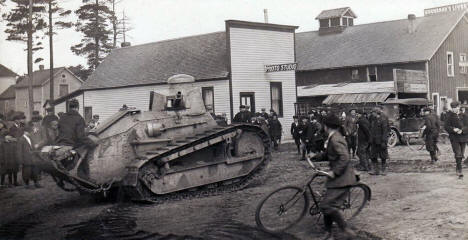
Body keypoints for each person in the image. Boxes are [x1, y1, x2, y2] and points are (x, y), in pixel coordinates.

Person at [310, 113, 357, 240]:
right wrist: (316, 156)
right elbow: (331, 154)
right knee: (326, 205)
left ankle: (346, 230)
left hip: (342, 178)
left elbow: (344, 157)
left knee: (327, 206)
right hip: (337, 178)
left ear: (326, 126)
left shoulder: (335, 138)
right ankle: (329, 233)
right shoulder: (333, 137)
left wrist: (335, 172)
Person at [444, 101, 468, 178]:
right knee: (458, 154)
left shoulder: (464, 116)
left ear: (459, 107)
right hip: (454, 138)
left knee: (461, 154)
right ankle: (459, 170)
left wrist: (462, 130)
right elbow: (446, 126)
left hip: (464, 137)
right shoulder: (449, 116)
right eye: (453, 108)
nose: (454, 109)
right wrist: (453, 129)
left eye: (455, 107)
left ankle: (458, 167)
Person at [17, 123, 41, 188]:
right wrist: (21, 161)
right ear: (25, 132)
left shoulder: (30, 138)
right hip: (26, 159)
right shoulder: (21, 139)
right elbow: (19, 151)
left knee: (34, 171)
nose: (31, 133)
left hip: (32, 158)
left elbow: (32, 147)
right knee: (26, 172)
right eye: (29, 132)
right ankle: (27, 184)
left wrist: (35, 147)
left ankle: (36, 183)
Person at [369, 108, 389, 176]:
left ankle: (383, 170)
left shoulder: (383, 120)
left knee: (383, 156)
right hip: (374, 141)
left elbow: (385, 132)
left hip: (381, 141)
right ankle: (375, 170)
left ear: (376, 113)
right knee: (373, 156)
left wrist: (384, 141)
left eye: (373, 113)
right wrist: (371, 140)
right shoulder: (373, 120)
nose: (372, 114)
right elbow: (371, 130)